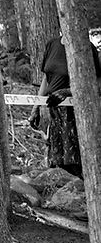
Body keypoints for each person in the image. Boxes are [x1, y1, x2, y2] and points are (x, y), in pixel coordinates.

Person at [29, 32, 101, 178]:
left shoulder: (86, 48)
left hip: (75, 114)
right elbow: (46, 79)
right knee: (57, 160)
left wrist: (69, 92)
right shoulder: (52, 45)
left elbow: (95, 82)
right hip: (54, 111)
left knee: (74, 161)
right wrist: (35, 108)